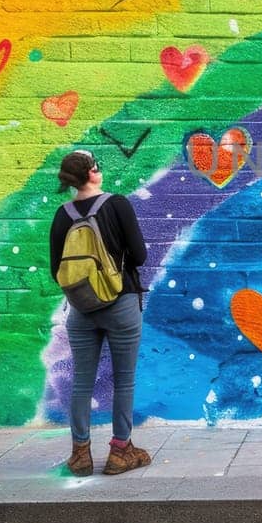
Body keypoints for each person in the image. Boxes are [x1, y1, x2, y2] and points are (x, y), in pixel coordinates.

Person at [49, 149, 152, 477]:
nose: (100, 171)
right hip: (120, 302)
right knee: (123, 379)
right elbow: (139, 255)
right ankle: (121, 452)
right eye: (97, 166)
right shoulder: (117, 204)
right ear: (91, 173)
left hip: (80, 310)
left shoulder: (62, 215)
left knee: (82, 380)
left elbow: (57, 271)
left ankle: (80, 454)